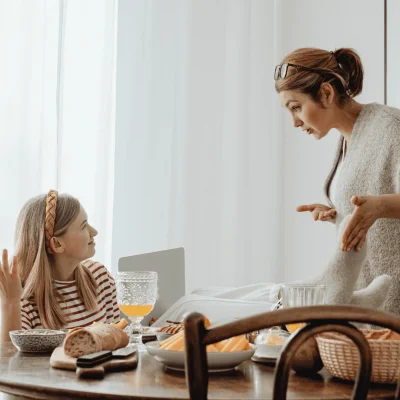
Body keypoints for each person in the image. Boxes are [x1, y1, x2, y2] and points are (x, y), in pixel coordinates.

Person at [274, 47, 400, 316]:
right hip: (369, 308)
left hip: (393, 309)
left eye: (296, 107)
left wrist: (378, 207)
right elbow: (371, 204)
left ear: (327, 93)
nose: (294, 122)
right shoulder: (346, 139)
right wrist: (337, 213)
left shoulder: (392, 127)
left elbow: (379, 204)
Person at [0, 190, 119, 341]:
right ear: (57, 244)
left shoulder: (100, 277)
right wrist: (10, 303)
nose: (94, 232)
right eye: (83, 226)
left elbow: (118, 344)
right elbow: (10, 362)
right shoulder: (23, 301)